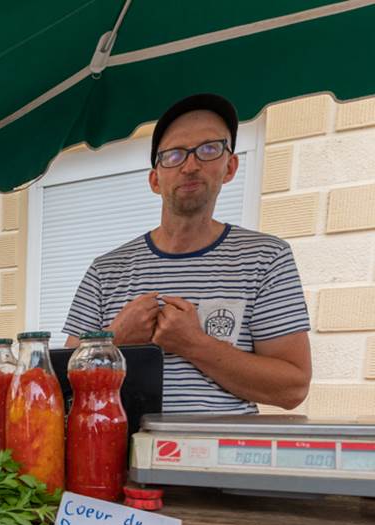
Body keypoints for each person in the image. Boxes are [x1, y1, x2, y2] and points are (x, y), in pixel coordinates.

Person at [63, 93, 311, 415]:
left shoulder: (266, 258)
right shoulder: (105, 270)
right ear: (155, 179)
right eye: (174, 155)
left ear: (230, 166)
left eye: (209, 149)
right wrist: (115, 339)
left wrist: (192, 344)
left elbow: (292, 388)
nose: (190, 165)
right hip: (121, 457)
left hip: (226, 461)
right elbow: (61, 383)